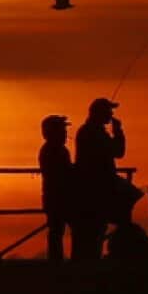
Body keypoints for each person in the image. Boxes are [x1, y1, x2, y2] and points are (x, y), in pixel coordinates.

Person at [73, 98, 126, 260]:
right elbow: (118, 151)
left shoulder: (89, 131)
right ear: (99, 113)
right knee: (93, 229)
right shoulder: (94, 133)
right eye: (108, 111)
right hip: (95, 190)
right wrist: (118, 132)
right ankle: (89, 265)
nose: (111, 114)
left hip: (91, 188)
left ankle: (86, 262)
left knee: (91, 231)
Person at [38, 115, 75, 261]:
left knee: (56, 231)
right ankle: (59, 262)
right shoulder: (54, 150)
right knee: (58, 231)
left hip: (55, 197)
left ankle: (57, 262)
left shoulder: (53, 149)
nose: (65, 133)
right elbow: (62, 173)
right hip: (58, 197)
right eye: (61, 129)